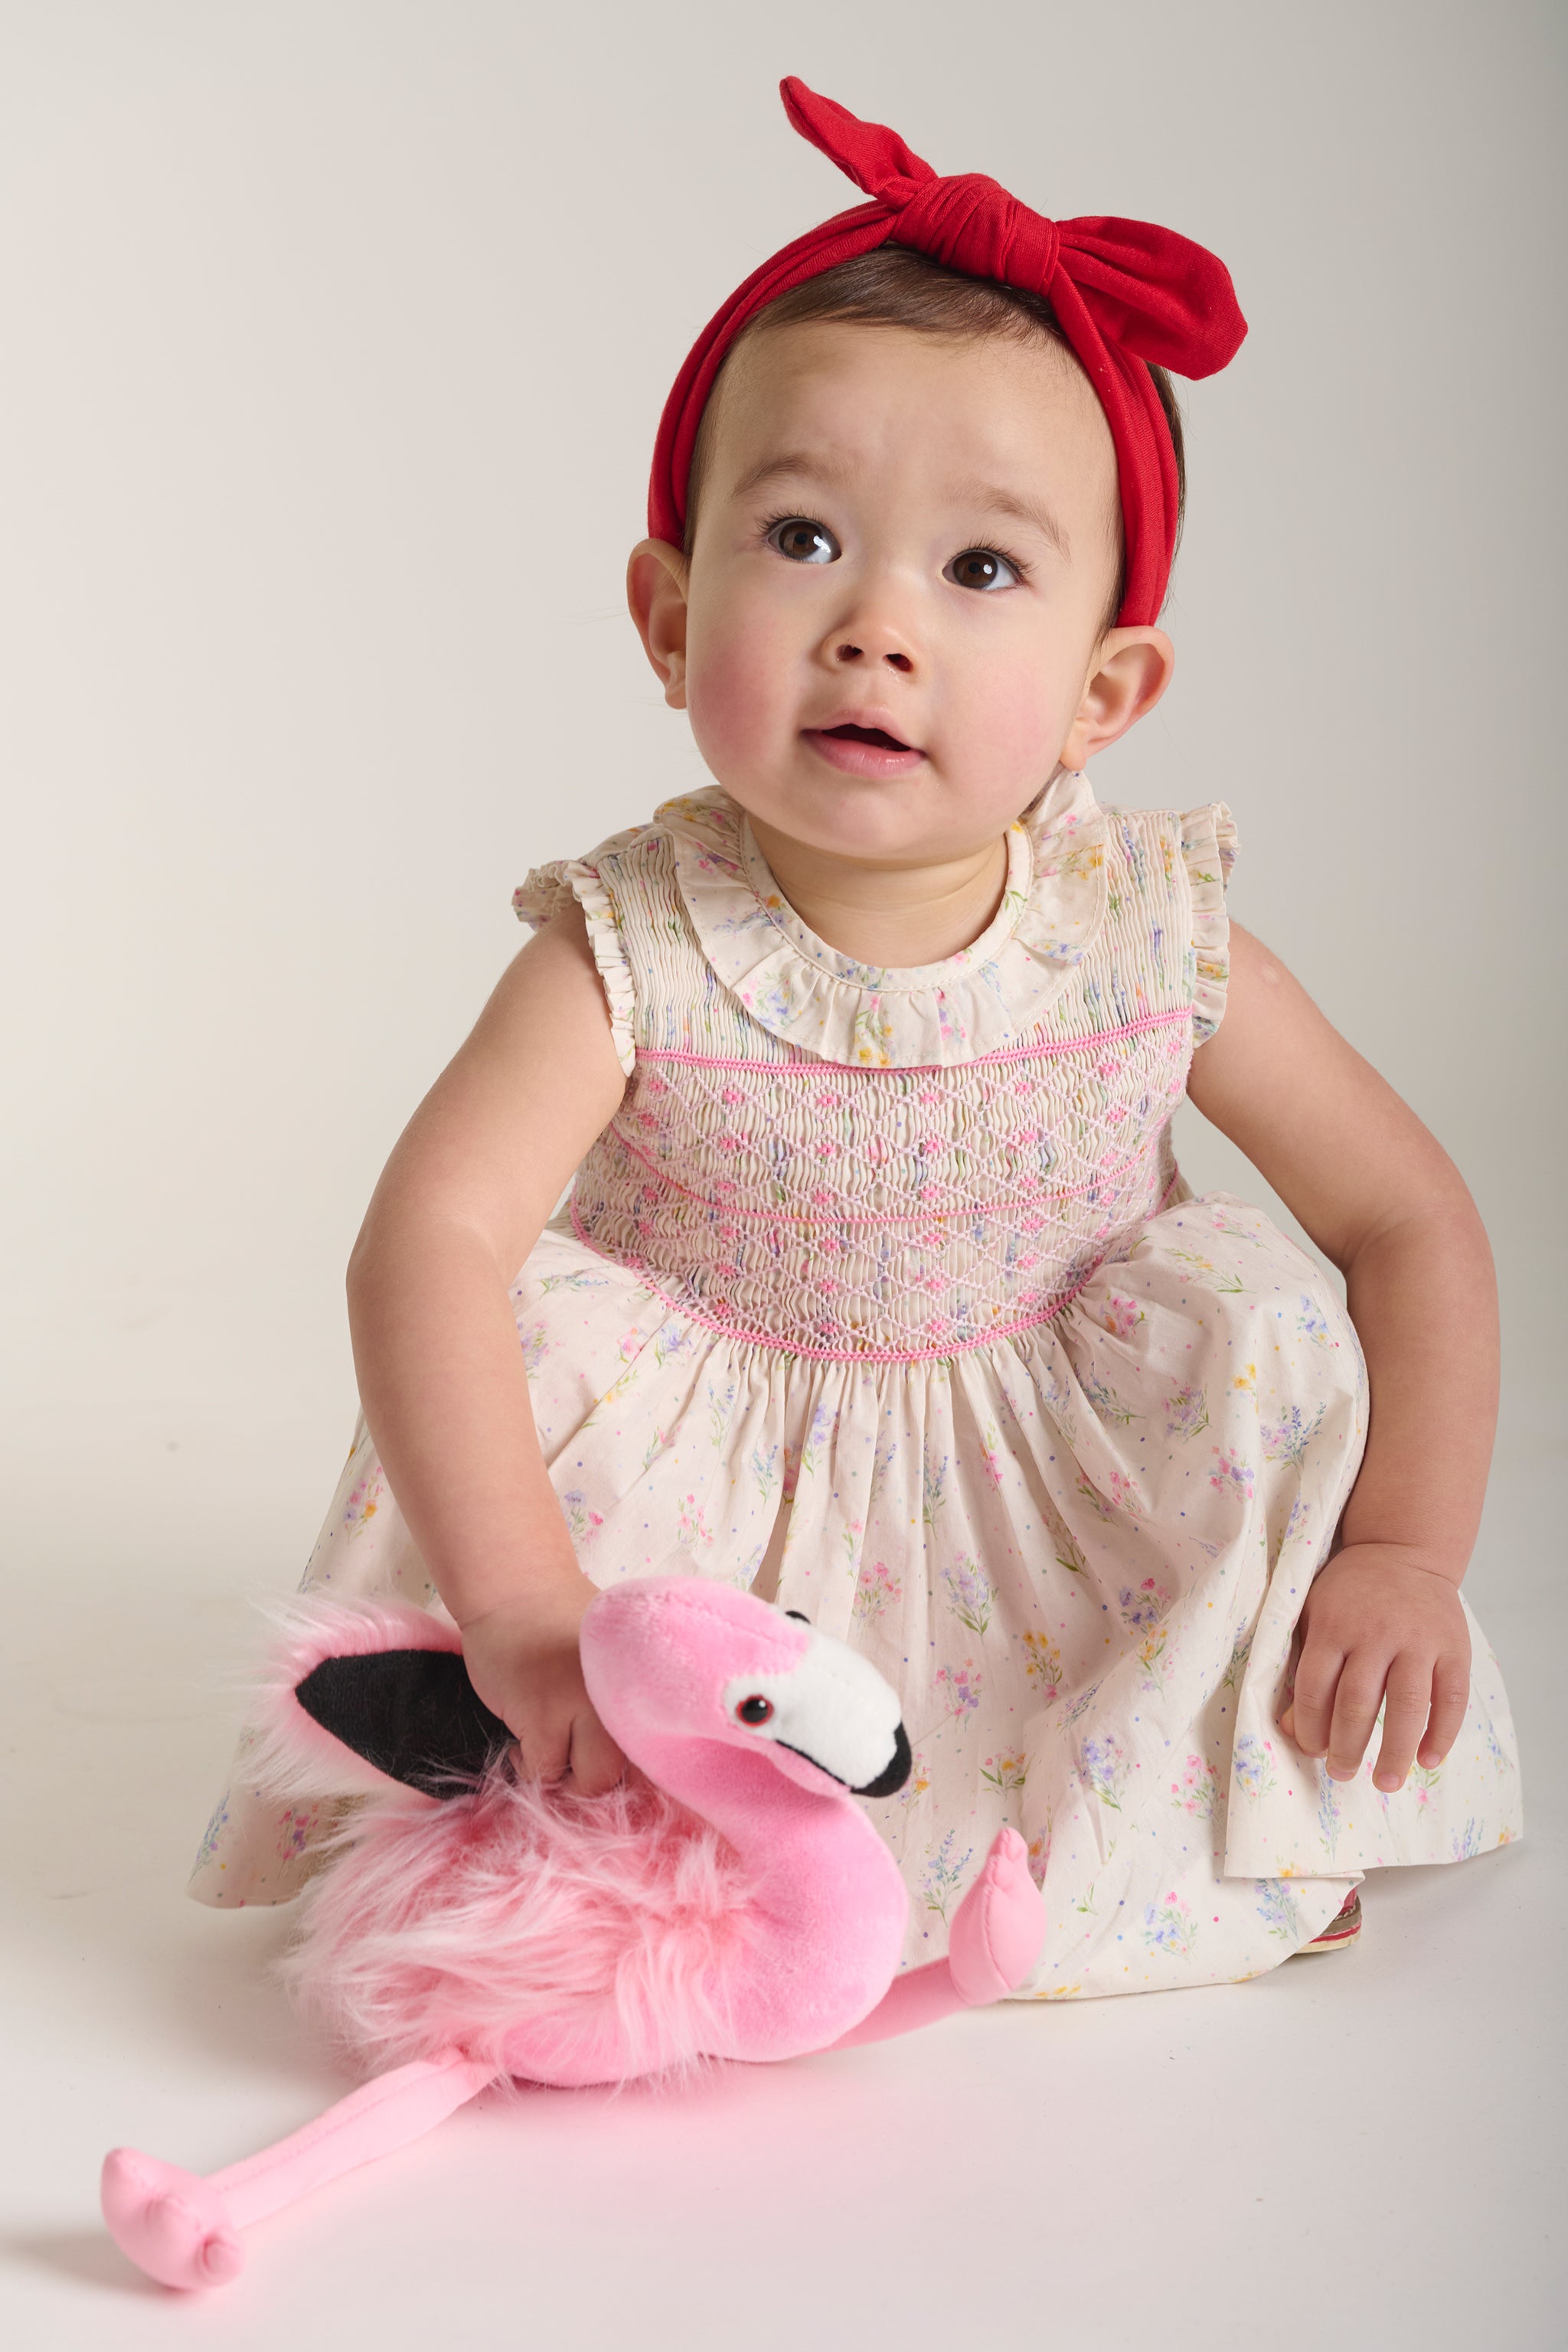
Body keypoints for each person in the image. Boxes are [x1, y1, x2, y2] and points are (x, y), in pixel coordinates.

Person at [188, 82, 1521, 1994]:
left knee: (1275, 1342)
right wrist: (522, 1600)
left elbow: (1405, 1221)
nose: (876, 626)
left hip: (1057, 1527)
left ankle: (1134, 1806)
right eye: (802, 536)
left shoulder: (1150, 931)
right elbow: (434, 1239)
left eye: (980, 572)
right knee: (595, 1814)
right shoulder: (632, 943)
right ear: (665, 617)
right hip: (716, 1533)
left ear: (1102, 689)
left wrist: (1399, 1546)